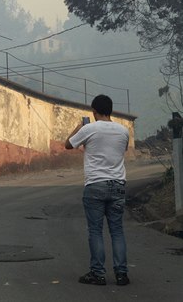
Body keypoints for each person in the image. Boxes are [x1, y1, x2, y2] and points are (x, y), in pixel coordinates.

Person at [65, 94, 130, 286]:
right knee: (117, 231)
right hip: (118, 184)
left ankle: (98, 273)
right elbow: (122, 150)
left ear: (94, 111)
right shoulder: (123, 131)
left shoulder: (89, 128)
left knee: (95, 231)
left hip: (95, 185)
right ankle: (121, 274)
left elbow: (68, 145)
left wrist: (79, 127)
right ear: (111, 110)